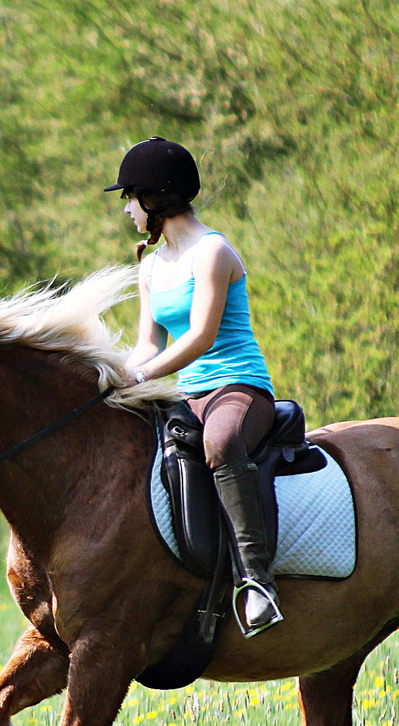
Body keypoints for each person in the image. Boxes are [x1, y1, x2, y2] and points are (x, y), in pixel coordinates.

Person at [106, 137, 282, 635]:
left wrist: (143, 375)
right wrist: (116, 376)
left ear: (156, 197)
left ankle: (256, 582)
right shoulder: (151, 265)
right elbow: (147, 344)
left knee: (221, 443)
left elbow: (202, 337)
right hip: (187, 395)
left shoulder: (214, 252)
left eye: (130, 198)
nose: (127, 209)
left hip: (239, 388)